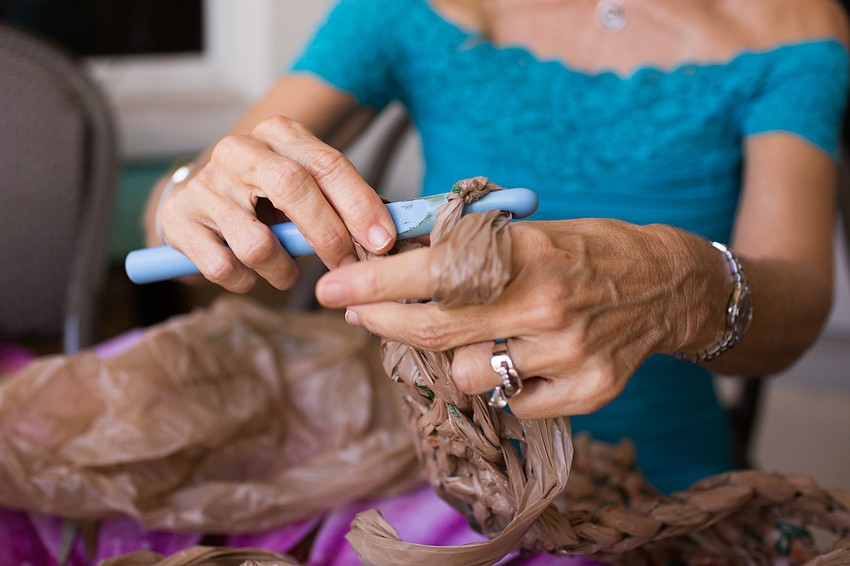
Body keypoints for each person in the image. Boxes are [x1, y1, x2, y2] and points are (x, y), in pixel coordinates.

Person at [144, 0, 849, 494]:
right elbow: (172, 228)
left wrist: (683, 283)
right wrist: (190, 200)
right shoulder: (409, 9)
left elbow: (797, 310)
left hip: (656, 479)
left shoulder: (791, 25)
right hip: (426, 466)